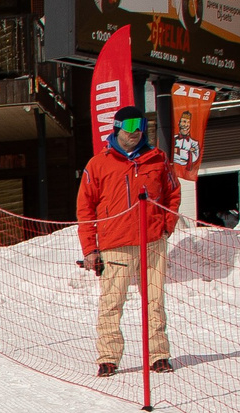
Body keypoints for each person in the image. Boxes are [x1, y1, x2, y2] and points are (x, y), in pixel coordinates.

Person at [75, 103, 180, 376]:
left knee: (154, 301)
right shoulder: (98, 164)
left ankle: (158, 355)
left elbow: (172, 193)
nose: (136, 132)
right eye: (131, 127)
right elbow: (85, 209)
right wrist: (90, 249)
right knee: (112, 302)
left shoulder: (158, 159)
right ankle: (108, 357)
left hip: (153, 241)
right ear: (118, 128)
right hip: (116, 243)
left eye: (141, 126)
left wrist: (166, 225)